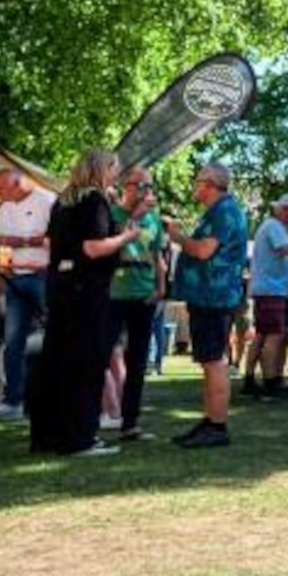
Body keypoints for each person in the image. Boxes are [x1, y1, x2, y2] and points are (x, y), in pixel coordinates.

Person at [29, 150, 137, 457]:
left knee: (56, 360)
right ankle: (80, 437)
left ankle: (47, 435)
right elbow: (93, 247)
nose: (116, 175)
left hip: (59, 286)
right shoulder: (94, 200)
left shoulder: (63, 201)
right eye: (114, 170)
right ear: (102, 171)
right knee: (86, 363)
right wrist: (125, 238)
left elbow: (51, 242)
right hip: (86, 290)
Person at [165, 163, 249, 449]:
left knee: (214, 360)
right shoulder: (219, 211)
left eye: (198, 180)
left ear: (211, 184)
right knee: (209, 360)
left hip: (215, 296)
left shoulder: (224, 211)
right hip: (209, 296)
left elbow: (203, 251)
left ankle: (217, 425)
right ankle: (210, 420)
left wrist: (176, 236)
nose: (194, 185)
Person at [104, 167, 166, 440]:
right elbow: (113, 243)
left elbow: (157, 255)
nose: (145, 190)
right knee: (102, 354)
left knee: (138, 360)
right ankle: (97, 414)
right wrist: (135, 216)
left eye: (149, 185)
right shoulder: (111, 213)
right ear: (125, 186)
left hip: (144, 294)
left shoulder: (155, 219)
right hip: (114, 293)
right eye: (140, 185)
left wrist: (161, 287)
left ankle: (130, 423)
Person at [0, 166, 57, 422]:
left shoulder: (48, 201)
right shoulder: (4, 208)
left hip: (44, 275)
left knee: (57, 335)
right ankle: (13, 399)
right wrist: (26, 241)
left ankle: (56, 394)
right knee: (13, 340)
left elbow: (57, 240)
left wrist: (23, 241)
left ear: (17, 183)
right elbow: (1, 240)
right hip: (16, 275)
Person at [243, 194, 288, 400]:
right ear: (286, 211)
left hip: (271, 290)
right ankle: (271, 384)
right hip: (272, 290)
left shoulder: (272, 226)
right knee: (274, 336)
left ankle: (257, 381)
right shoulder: (274, 227)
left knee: (264, 335)